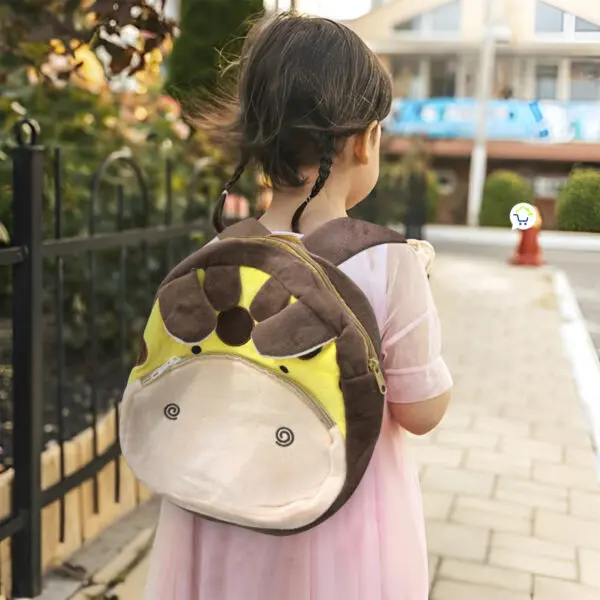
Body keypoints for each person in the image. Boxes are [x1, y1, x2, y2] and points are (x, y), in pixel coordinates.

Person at [143, 12, 452, 600]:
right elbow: (421, 411)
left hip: (221, 516)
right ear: (364, 140)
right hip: (337, 529)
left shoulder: (217, 255)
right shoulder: (390, 262)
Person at [402, 136, 430, 240]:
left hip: (414, 208)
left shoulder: (414, 173)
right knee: (414, 233)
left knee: (413, 232)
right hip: (415, 208)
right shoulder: (418, 173)